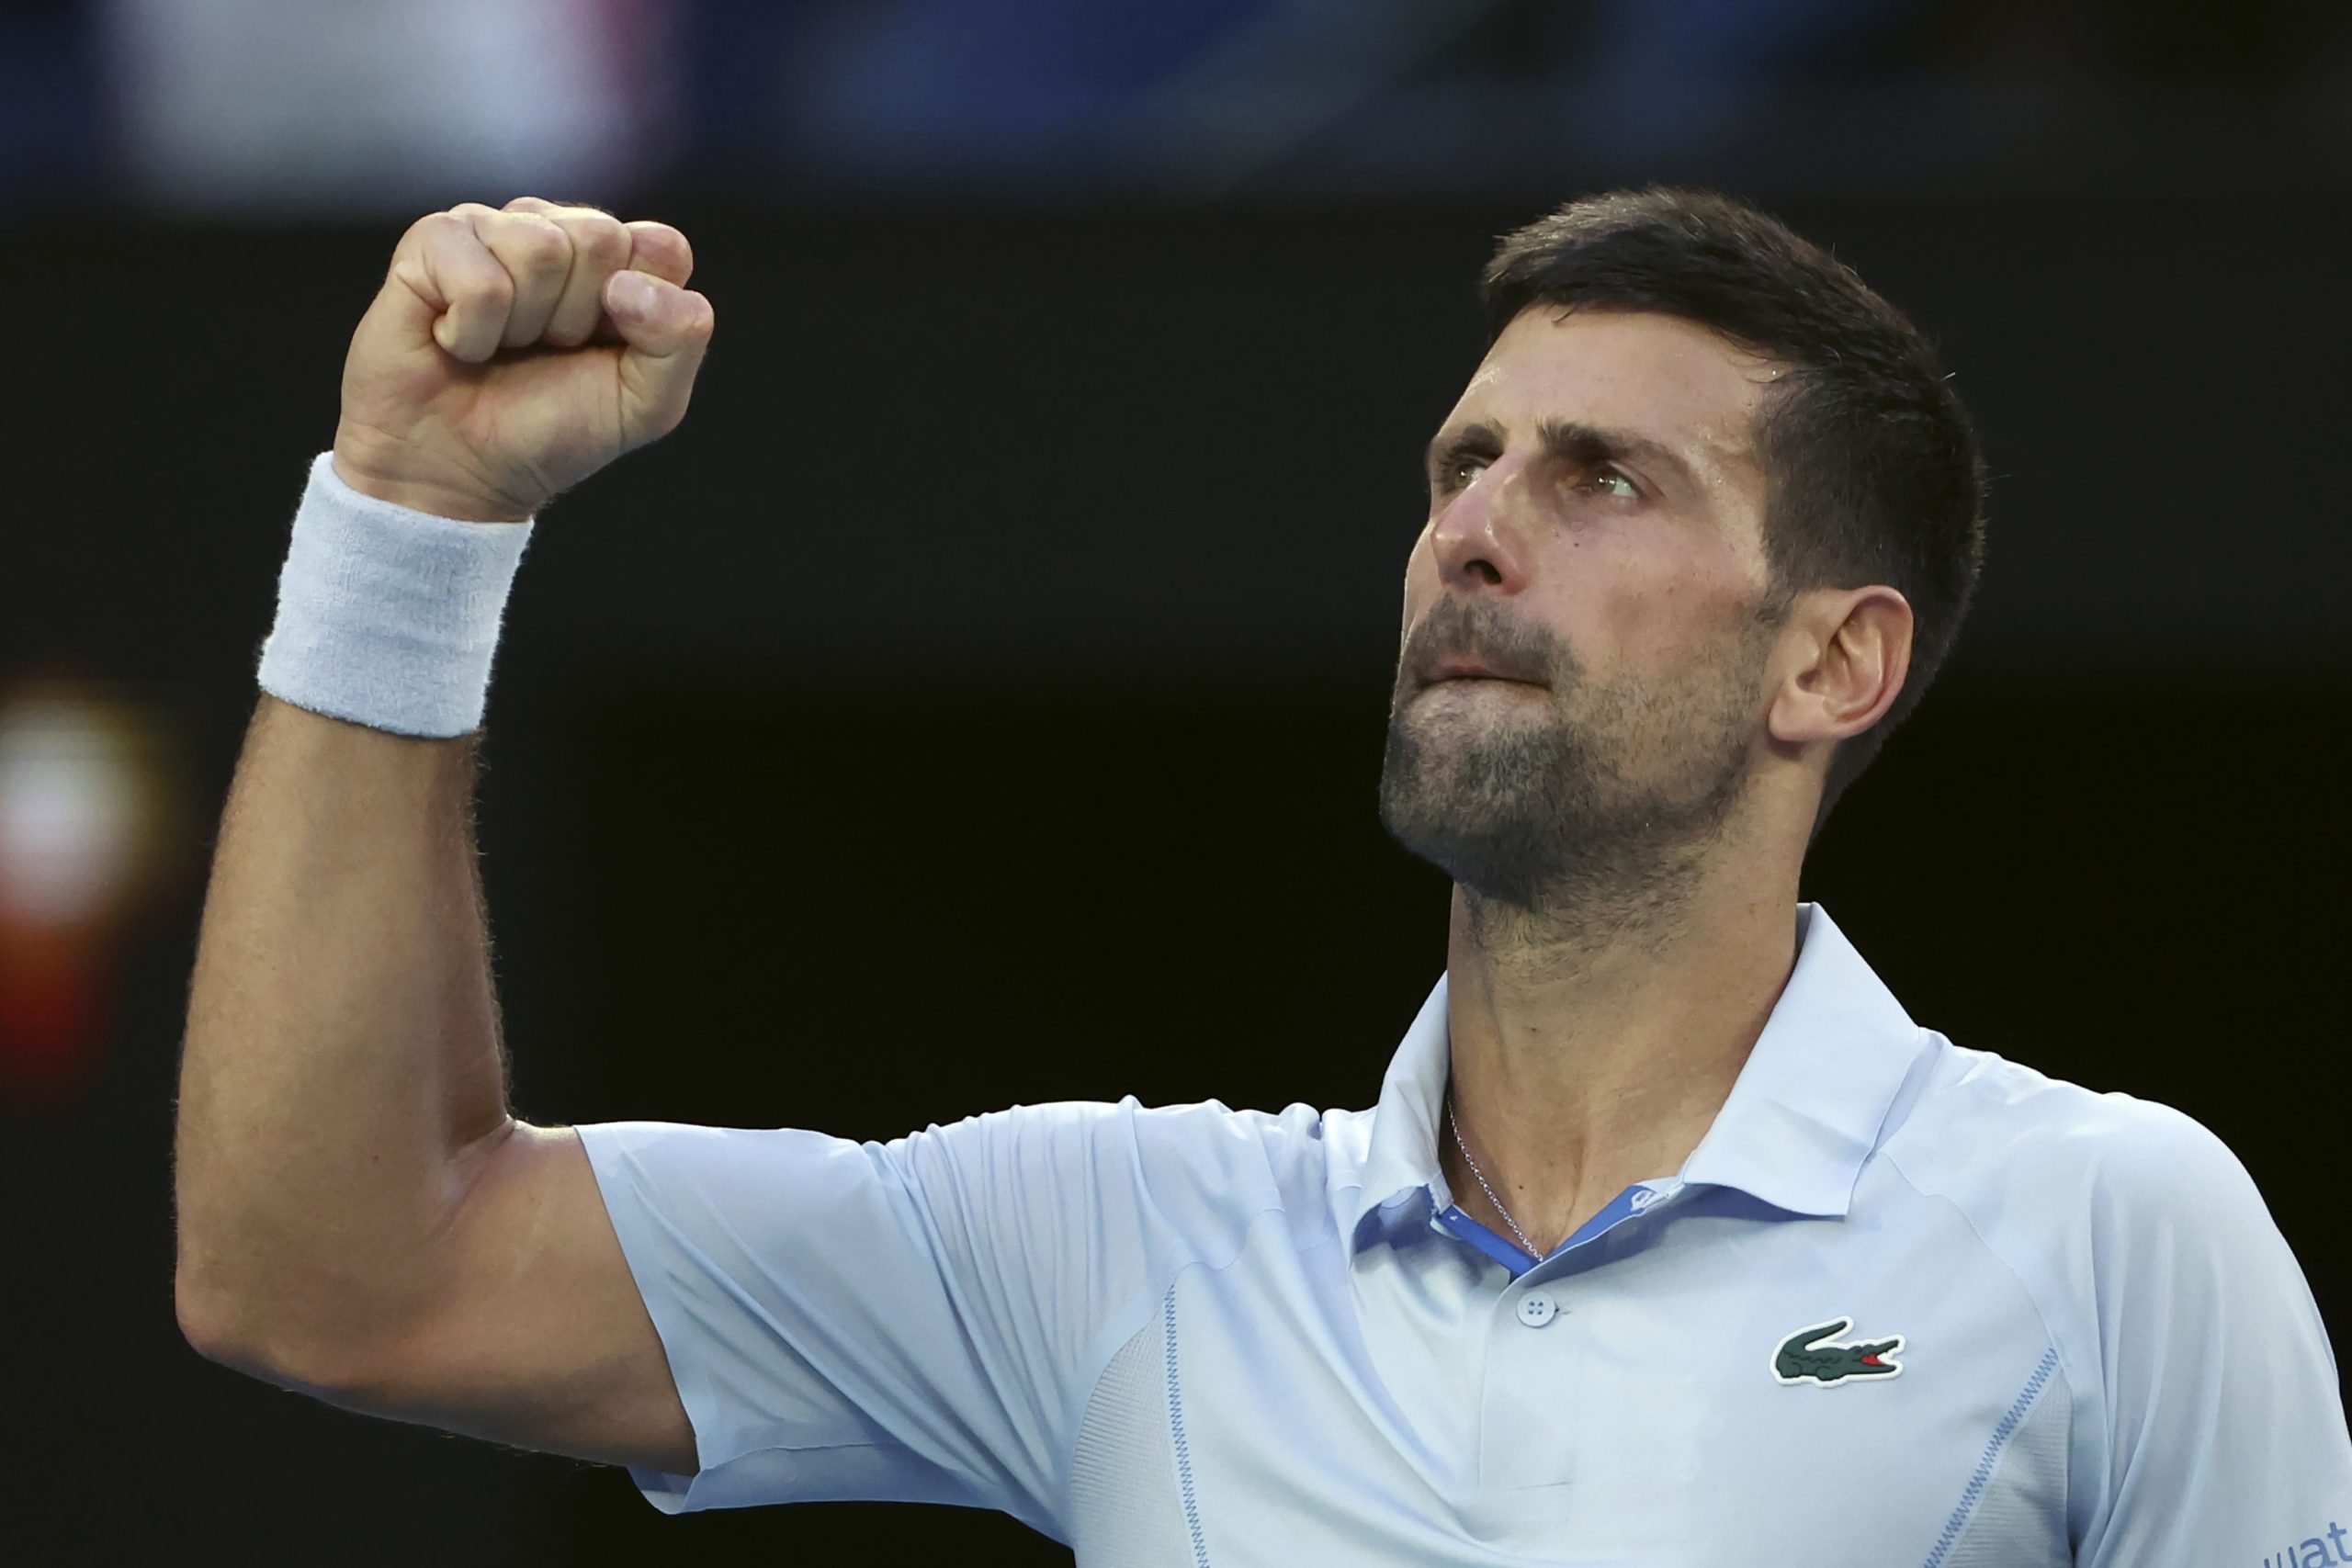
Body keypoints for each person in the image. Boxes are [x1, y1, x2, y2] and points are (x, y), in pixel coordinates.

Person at [175, 190, 2352, 1566]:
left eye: (1602, 477)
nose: (1476, 528)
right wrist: (409, 522)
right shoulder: (1121, 1243)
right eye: (1461, 464)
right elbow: (336, 1263)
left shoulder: (2106, 1228)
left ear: (1831, 657)